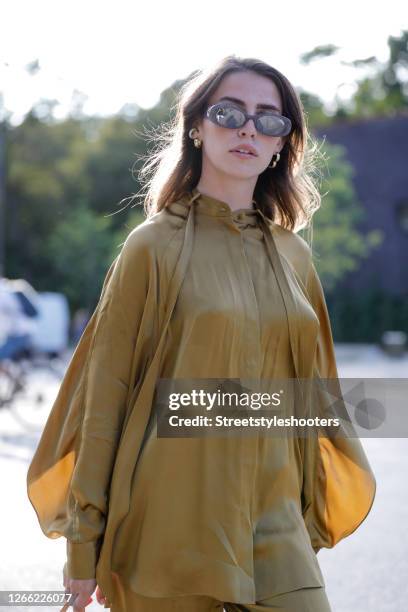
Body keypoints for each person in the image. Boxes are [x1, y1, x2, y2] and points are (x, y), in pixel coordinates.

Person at [26, 56, 376, 612]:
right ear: (196, 126)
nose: (248, 128)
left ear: (283, 142)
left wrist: (308, 507)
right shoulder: (151, 246)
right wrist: (83, 546)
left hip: (276, 526)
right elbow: (105, 398)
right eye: (229, 111)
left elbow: (314, 397)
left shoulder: (295, 257)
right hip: (169, 528)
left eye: (269, 118)